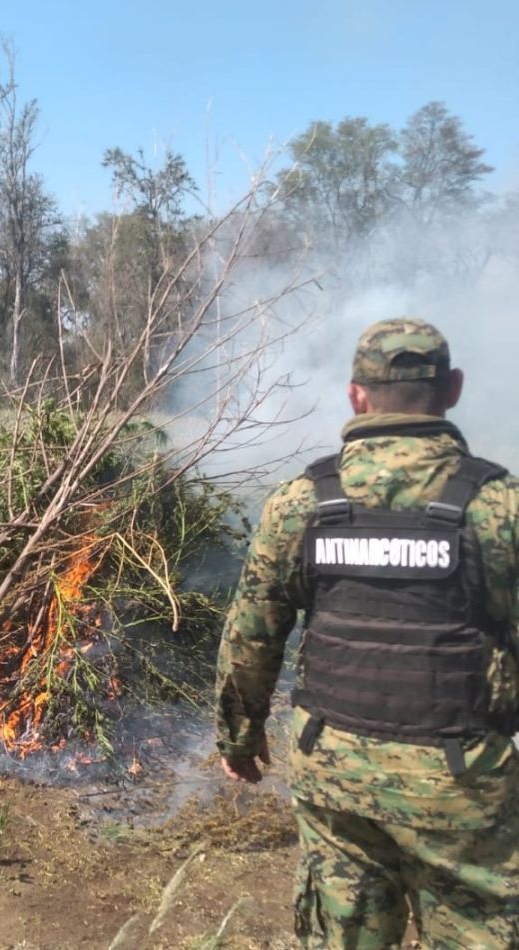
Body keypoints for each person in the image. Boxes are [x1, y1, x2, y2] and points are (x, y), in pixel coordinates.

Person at [215, 318, 519, 948]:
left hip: (334, 773)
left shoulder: (302, 502)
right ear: (454, 388)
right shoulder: (500, 507)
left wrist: (240, 739)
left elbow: (252, 634)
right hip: (462, 785)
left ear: (356, 395)